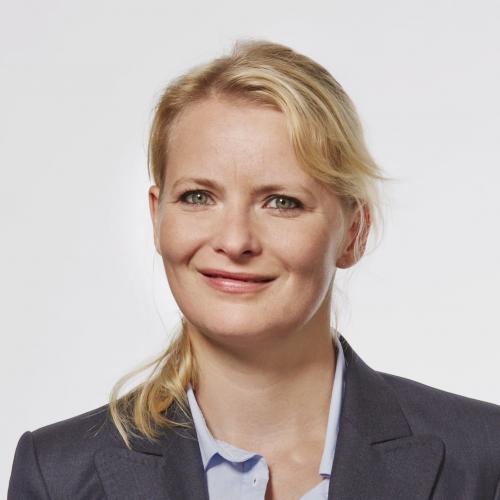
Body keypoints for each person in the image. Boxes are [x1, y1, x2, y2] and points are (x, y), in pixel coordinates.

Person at [8, 40, 500, 500]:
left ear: (354, 232)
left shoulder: (484, 457)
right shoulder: (58, 475)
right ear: (157, 217)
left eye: (281, 202)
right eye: (197, 197)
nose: (235, 240)